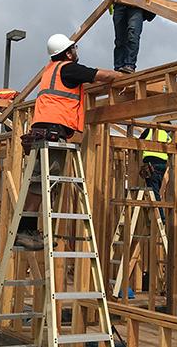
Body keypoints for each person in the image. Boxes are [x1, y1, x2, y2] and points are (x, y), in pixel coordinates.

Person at [15, 33, 124, 250]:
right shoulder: (68, 68)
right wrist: (122, 76)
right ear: (67, 52)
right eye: (73, 49)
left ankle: (28, 229)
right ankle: (24, 231)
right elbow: (101, 75)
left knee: (39, 182)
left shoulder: (50, 70)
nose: (76, 52)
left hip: (42, 130)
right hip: (52, 132)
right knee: (41, 184)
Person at [139, 126, 171, 222]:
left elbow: (139, 141)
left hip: (152, 164)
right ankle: (160, 215)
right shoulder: (165, 134)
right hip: (162, 165)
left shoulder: (149, 130)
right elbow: (172, 145)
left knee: (154, 192)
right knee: (157, 190)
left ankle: (161, 217)